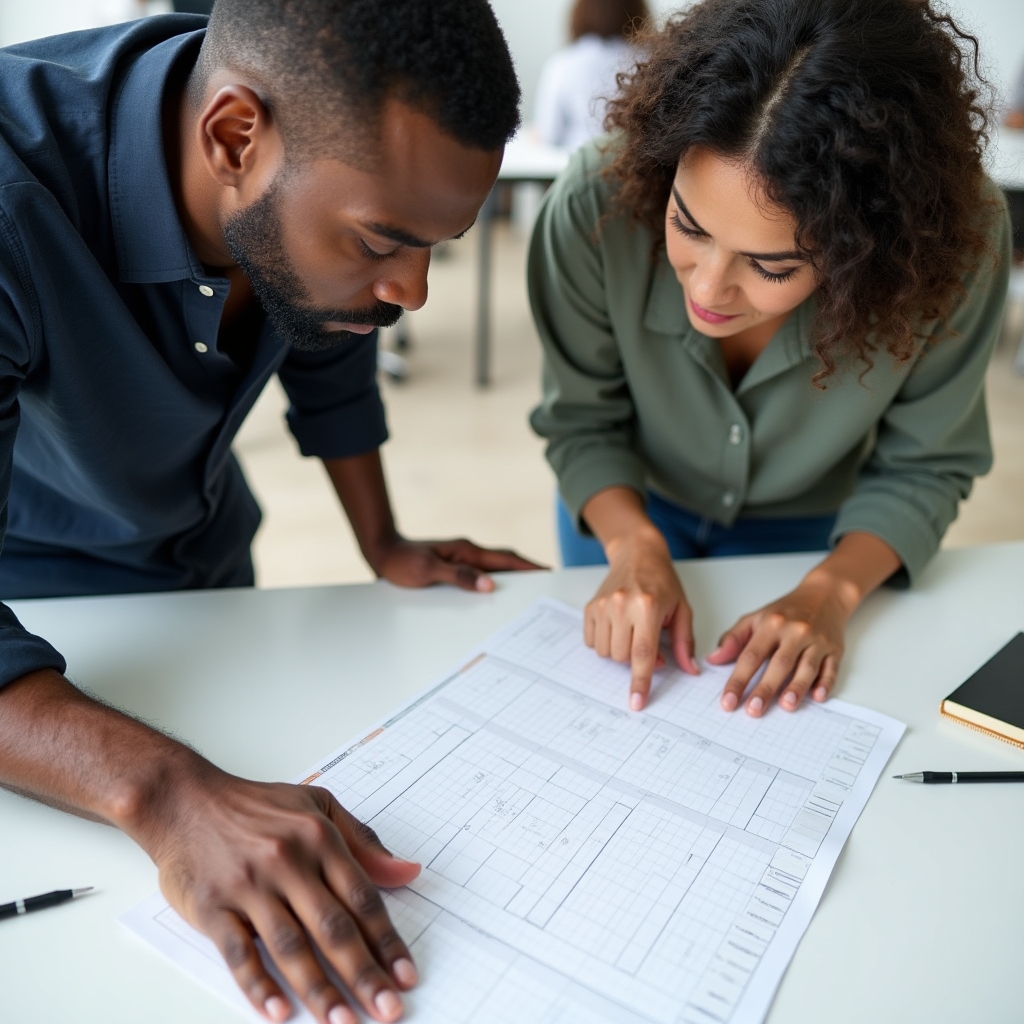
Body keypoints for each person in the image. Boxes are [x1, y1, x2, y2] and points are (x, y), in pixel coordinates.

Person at [0, 2, 535, 1022]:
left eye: (435, 247)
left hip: (207, 559)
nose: (413, 291)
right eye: (385, 238)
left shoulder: (295, 140)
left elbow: (329, 322)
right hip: (49, 635)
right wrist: (164, 794)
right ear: (234, 137)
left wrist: (381, 539)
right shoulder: (11, 199)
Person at [529, 0, 1011, 716]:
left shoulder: (948, 247)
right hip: (624, 502)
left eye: (771, 266)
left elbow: (926, 463)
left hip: (819, 531)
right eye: (687, 226)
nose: (708, 286)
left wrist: (833, 589)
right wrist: (630, 545)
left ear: (863, 247)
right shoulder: (591, 205)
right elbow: (581, 421)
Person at [534, 0, 648, 152]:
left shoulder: (563, 64)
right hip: (635, 167)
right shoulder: (650, 61)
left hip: (577, 162)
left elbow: (549, 133)